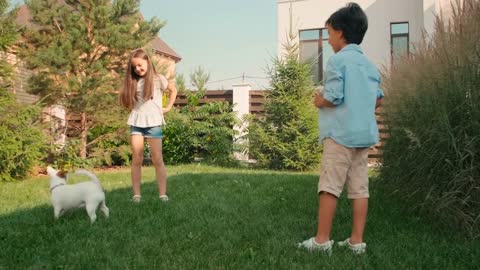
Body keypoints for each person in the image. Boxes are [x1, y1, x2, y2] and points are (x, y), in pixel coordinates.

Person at [298, 3, 384, 255]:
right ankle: (357, 242)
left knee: (329, 186)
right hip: (363, 137)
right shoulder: (369, 65)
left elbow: (333, 96)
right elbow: (378, 97)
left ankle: (322, 240)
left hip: (340, 136)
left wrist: (318, 100)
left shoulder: (337, 62)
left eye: (329, 33)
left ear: (341, 32)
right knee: (360, 189)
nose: (327, 40)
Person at [120, 48, 177, 203]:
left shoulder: (159, 79)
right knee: (137, 158)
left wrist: (169, 107)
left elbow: (173, 90)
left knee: (157, 158)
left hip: (154, 124)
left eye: (139, 65)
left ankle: (162, 194)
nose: (137, 69)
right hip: (136, 123)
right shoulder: (133, 82)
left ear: (147, 62)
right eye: (134, 67)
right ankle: (137, 195)